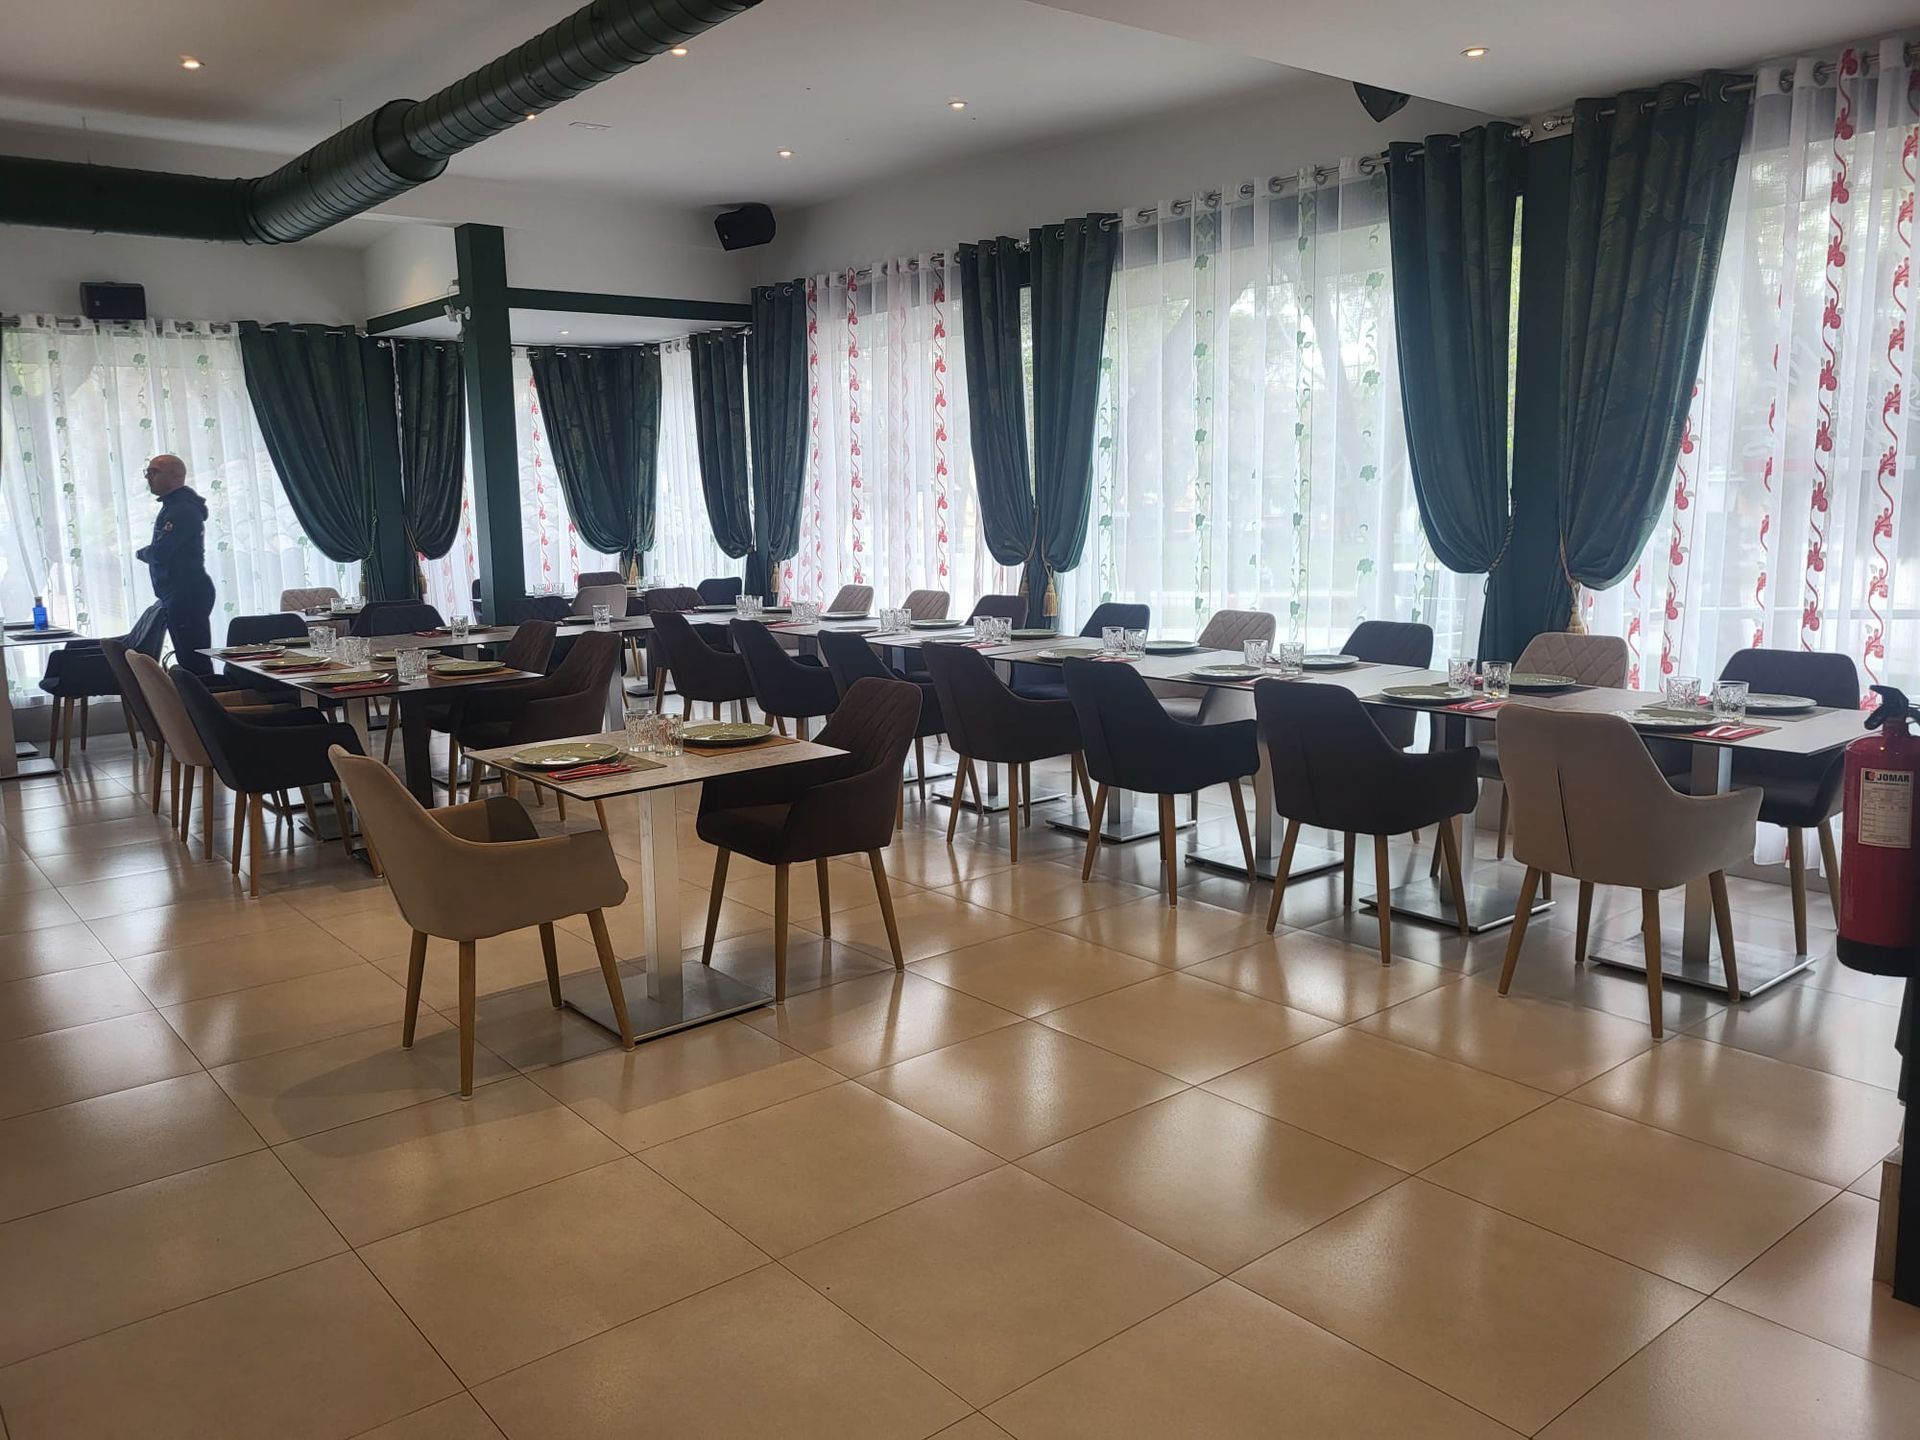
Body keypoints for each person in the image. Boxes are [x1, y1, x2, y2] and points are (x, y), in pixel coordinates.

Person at [134, 454, 215, 676]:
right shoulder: (174, 506)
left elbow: (162, 552)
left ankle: (205, 708)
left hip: (187, 592)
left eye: (154, 472)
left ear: (176, 475)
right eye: (147, 472)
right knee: (190, 658)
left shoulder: (182, 509)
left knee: (194, 663)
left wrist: (142, 553)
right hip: (179, 592)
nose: (149, 477)